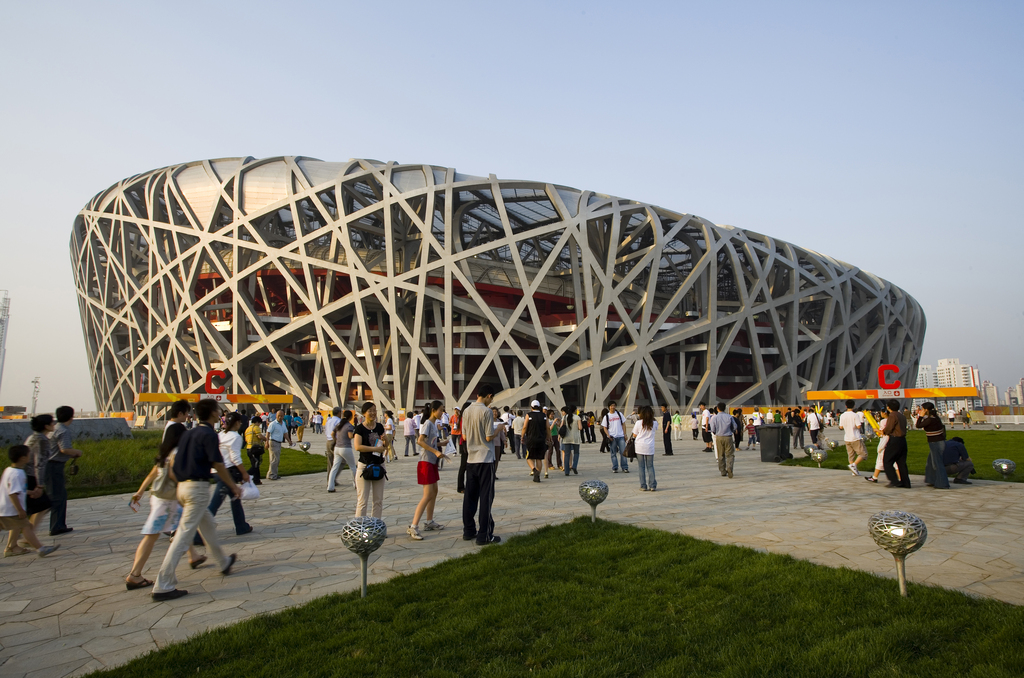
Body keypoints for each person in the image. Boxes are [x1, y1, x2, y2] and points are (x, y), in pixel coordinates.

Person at [151, 399, 240, 601]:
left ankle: (223, 562)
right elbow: (218, 464)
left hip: (183, 488)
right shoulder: (209, 434)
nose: (221, 414)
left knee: (208, 525)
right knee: (183, 535)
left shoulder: (188, 433)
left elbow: (173, 462)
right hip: (197, 489)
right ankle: (163, 585)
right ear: (212, 413)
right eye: (218, 410)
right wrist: (233, 486)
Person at [125, 411, 204, 589]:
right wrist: (189, 484)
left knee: (183, 529)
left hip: (161, 498)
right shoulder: (176, 452)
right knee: (152, 536)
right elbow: (173, 474)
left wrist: (140, 491)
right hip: (167, 501)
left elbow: (154, 472)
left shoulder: (165, 452)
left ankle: (194, 555)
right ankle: (135, 574)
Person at [461, 385, 503, 545]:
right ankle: (484, 534)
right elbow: (488, 437)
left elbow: (464, 435)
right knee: (486, 497)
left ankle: (468, 530)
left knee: (470, 497)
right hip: (485, 459)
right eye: (491, 398)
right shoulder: (486, 411)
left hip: (471, 459)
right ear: (488, 396)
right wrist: (498, 429)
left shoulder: (467, 411)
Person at [2, 446, 60, 558]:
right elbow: (12, 493)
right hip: (12, 509)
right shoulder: (17, 474)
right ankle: (41, 549)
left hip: (6, 507)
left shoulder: (9, 470)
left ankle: (11, 548)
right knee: (26, 527)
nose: (31, 456)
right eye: (29, 454)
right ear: (23, 458)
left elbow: (16, 489)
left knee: (19, 526)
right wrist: (20, 510)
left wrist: (30, 493)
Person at [408, 400, 450, 540]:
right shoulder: (427, 423)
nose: (442, 413)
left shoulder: (433, 424)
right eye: (440, 410)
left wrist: (441, 444)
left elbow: (430, 442)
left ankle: (429, 521)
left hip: (432, 462)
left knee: (434, 492)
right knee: (427, 495)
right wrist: (435, 451)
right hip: (425, 462)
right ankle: (413, 526)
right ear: (433, 410)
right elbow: (420, 441)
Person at [208, 412, 252, 535]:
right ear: (237, 423)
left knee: (235, 499)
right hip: (226, 473)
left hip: (216, 470)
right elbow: (235, 458)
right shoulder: (235, 437)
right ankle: (198, 533)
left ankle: (241, 526)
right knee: (214, 504)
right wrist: (244, 473)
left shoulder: (221, 435)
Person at [47, 406, 83, 536]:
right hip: (55, 465)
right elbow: (64, 449)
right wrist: (77, 452)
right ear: (71, 417)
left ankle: (57, 524)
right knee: (59, 496)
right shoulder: (64, 430)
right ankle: (57, 526)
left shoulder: (55, 428)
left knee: (56, 494)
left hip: (50, 465)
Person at [353, 402, 387, 518]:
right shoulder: (360, 428)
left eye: (374, 410)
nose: (373, 413)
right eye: (370, 411)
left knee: (378, 500)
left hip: (379, 465)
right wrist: (375, 448)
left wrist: (386, 440)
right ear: (364, 413)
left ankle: (375, 526)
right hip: (364, 466)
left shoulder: (379, 427)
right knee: (362, 500)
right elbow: (357, 446)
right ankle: (359, 527)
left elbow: (385, 446)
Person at [22, 415, 54, 535]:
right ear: (46, 426)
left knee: (37, 507)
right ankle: (28, 536)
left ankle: (27, 535)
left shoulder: (33, 437)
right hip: (31, 477)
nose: (54, 425)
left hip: (25, 475)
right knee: (43, 505)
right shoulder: (42, 440)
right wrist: (39, 485)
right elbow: (39, 463)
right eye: (52, 423)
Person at [916, 402, 950, 489]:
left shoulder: (930, 419)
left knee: (937, 463)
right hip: (938, 441)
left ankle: (942, 483)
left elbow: (918, 425)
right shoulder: (935, 418)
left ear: (926, 410)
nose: (921, 411)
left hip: (935, 443)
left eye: (923, 409)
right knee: (930, 462)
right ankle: (931, 479)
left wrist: (920, 416)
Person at [881, 400, 911, 488]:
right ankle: (905, 482)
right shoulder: (901, 416)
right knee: (901, 462)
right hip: (902, 440)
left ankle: (894, 481)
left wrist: (883, 431)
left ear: (888, 407)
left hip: (894, 440)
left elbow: (889, 428)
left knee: (887, 461)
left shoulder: (892, 416)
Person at [328, 410, 356, 492]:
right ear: (351, 417)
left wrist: (336, 440)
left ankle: (330, 486)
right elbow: (350, 436)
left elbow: (332, 434)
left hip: (337, 447)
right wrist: (356, 434)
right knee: (352, 467)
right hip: (346, 448)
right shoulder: (349, 426)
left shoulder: (339, 424)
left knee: (334, 468)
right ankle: (356, 484)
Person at [630, 406, 658, 491]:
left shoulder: (638, 423)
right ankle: (652, 485)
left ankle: (643, 485)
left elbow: (634, 435)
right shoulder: (654, 423)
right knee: (650, 466)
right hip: (649, 447)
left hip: (639, 447)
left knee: (641, 467)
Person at [839, 400, 868, 477]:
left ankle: (854, 471)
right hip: (855, 437)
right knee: (863, 454)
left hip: (847, 438)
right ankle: (854, 465)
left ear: (846, 406)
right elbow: (858, 426)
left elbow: (841, 427)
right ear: (854, 406)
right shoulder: (855, 415)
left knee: (851, 455)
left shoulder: (842, 415)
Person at [710, 402, 738, 478]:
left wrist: (716, 432)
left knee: (720, 455)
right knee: (730, 454)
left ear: (717, 408)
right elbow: (735, 427)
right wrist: (731, 431)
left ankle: (722, 471)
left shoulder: (715, 417)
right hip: (728, 436)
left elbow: (712, 428)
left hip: (719, 437)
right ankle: (729, 467)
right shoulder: (729, 417)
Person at [522, 401, 547, 482]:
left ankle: (534, 469)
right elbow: (548, 428)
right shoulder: (544, 415)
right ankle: (537, 475)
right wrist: (549, 437)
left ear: (531, 407)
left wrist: (522, 436)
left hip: (531, 439)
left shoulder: (528, 415)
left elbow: (525, 427)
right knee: (539, 458)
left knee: (529, 457)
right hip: (541, 439)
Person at [601, 402, 629, 473]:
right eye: (611, 406)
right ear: (609, 407)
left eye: (614, 405)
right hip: (612, 437)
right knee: (613, 453)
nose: (613, 407)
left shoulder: (619, 414)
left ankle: (624, 467)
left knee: (623, 452)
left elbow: (623, 424)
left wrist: (625, 434)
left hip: (620, 436)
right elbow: (605, 427)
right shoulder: (607, 416)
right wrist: (608, 435)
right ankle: (615, 467)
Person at [264, 410, 291, 481]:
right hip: (273, 442)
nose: (280, 417)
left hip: (279, 443)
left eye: (281, 416)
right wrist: (266, 442)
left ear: (283, 416)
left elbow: (285, 433)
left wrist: (289, 441)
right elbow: (268, 433)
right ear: (276, 416)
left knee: (276, 459)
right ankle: (272, 475)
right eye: (278, 416)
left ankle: (273, 473)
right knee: (274, 459)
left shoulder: (283, 424)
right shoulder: (273, 424)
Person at [560, 405, 582, 475]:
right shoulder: (577, 417)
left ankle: (566, 471)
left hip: (566, 438)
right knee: (576, 453)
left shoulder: (565, 417)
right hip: (575, 437)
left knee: (567, 454)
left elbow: (561, 427)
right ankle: (574, 466)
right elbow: (580, 427)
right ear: (575, 410)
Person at [243, 416, 264, 484]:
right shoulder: (255, 427)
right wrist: (266, 439)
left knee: (255, 464)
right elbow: (259, 436)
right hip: (254, 449)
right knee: (255, 465)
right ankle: (245, 475)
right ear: (257, 422)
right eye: (259, 423)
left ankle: (256, 480)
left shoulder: (247, 429)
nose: (259, 425)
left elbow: (246, 439)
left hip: (248, 448)